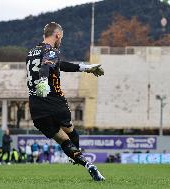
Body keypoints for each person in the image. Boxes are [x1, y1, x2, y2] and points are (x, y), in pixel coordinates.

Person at [25, 22, 105, 181]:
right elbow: (46, 67)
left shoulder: (31, 52)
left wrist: (86, 68)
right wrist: (43, 81)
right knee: (72, 134)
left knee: (63, 140)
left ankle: (87, 164)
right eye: (61, 37)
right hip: (55, 102)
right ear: (57, 35)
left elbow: (58, 65)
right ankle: (75, 155)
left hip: (36, 107)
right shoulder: (51, 50)